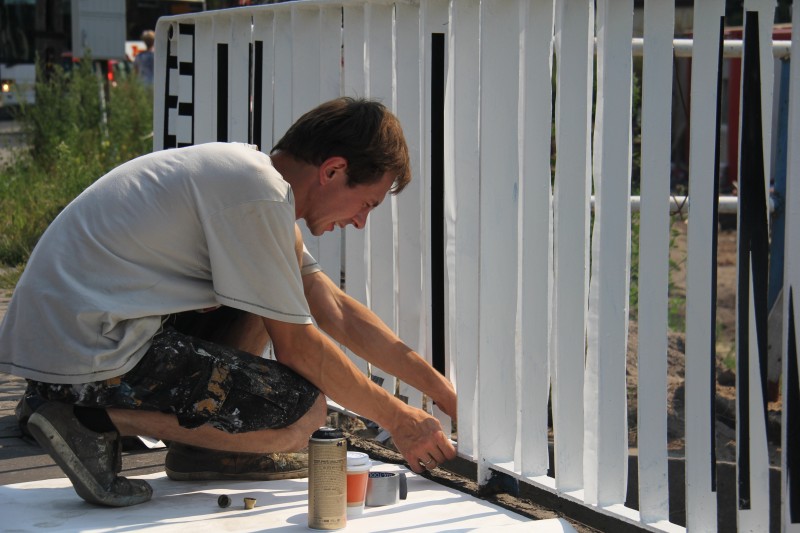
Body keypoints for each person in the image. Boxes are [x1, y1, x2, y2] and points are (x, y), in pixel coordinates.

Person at [0, 97, 457, 507]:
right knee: (302, 415)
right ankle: (88, 420)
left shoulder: (250, 183)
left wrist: (442, 393)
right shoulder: (258, 196)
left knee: (270, 299)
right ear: (333, 170)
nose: (360, 222)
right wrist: (399, 419)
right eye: (367, 204)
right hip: (87, 355)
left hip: (71, 345)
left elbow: (333, 309)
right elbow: (301, 349)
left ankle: (194, 447)